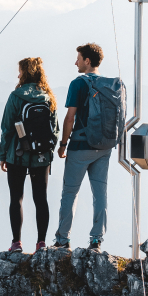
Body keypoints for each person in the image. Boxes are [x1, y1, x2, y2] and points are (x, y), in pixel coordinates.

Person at [54, 43, 118, 251]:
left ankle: (63, 240)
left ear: (87, 61)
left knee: (70, 193)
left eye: (78, 58)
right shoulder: (110, 85)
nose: (76, 62)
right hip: (104, 147)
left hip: (81, 146)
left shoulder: (78, 84)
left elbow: (70, 117)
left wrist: (63, 144)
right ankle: (97, 239)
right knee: (100, 193)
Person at [0, 56, 57, 252]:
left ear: (25, 73)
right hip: (41, 156)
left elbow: (6, 128)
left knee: (16, 198)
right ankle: (41, 242)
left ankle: (16, 243)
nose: (18, 74)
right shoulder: (48, 97)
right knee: (41, 199)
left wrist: (3, 155)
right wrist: (48, 150)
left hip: (18, 154)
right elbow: (54, 129)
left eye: (20, 71)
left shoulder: (16, 96)